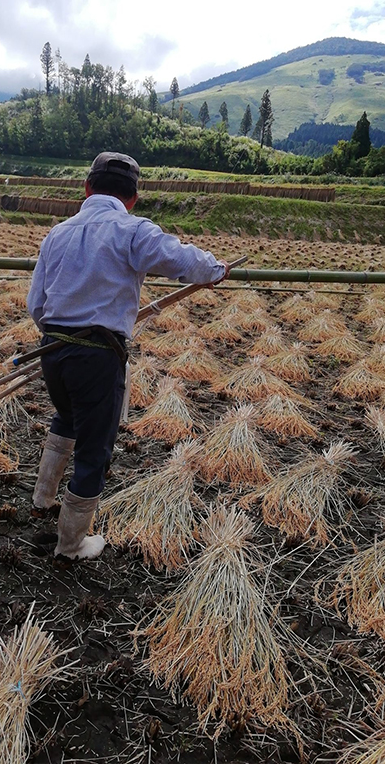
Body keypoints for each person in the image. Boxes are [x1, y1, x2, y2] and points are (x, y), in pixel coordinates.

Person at [26, 151, 230, 561]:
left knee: (67, 417)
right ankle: (71, 544)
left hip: (52, 351)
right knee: (94, 447)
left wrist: (62, 332)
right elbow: (181, 258)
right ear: (133, 198)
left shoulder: (58, 233)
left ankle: (43, 497)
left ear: (86, 189)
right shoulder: (132, 230)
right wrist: (215, 270)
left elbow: (36, 305)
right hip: (98, 357)